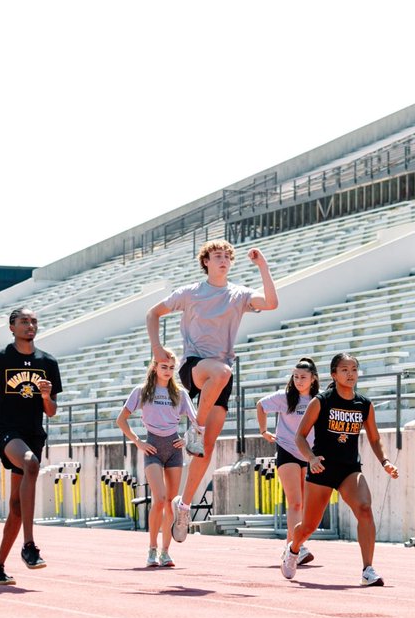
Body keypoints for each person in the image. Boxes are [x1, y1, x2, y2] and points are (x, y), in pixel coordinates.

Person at [146, 239, 278, 543]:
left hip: (220, 376)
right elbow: (152, 314)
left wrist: (263, 266)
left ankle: (184, 504)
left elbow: (271, 303)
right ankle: (196, 424)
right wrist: (157, 347)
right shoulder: (190, 293)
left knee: (206, 448)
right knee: (221, 372)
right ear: (206, 261)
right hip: (194, 367)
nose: (223, 260)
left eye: (227, 257)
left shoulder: (239, 294)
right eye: (217, 256)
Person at [282, 353, 399, 586]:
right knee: (309, 526)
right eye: (344, 370)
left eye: (354, 369)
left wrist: (385, 461)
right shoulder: (321, 401)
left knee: (365, 508)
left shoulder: (364, 404)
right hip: (322, 468)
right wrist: (311, 458)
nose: (350, 374)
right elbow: (300, 437)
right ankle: (293, 549)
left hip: (349, 469)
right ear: (334, 374)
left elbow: (375, 439)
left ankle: (368, 570)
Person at [0, 307, 62, 585]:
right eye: (24, 321)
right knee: (31, 463)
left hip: (33, 433)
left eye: (34, 321)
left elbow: (51, 411)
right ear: (11, 327)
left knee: (15, 506)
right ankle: (29, 546)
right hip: (4, 431)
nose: (30, 325)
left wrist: (47, 396)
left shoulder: (48, 362)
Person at [116, 348, 196, 569]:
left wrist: (187, 440)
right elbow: (121, 420)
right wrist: (138, 441)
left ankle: (166, 552)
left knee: (171, 502)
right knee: (159, 498)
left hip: (173, 449)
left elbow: (197, 422)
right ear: (154, 367)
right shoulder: (142, 391)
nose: (168, 371)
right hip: (152, 448)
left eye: (171, 367)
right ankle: (152, 548)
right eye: (164, 367)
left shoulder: (180, 394)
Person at [256, 357, 319, 566]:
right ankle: (296, 547)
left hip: (309, 454)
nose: (299, 381)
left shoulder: (318, 400)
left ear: (313, 379)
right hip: (287, 450)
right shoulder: (285, 397)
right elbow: (261, 405)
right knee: (296, 502)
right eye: (296, 377)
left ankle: (289, 547)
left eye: (303, 377)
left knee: (305, 504)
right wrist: (263, 430)